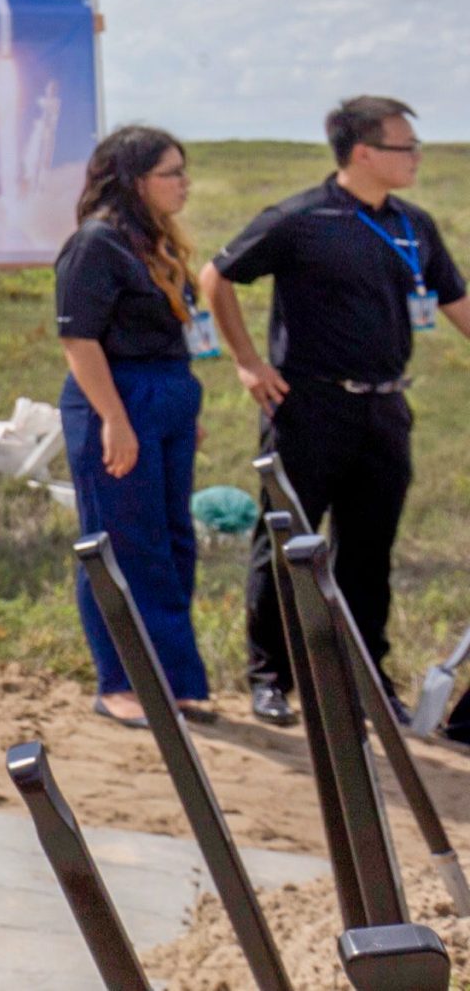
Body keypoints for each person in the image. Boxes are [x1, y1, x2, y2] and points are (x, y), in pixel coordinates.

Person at [203, 95, 470, 727]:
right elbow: (217, 277)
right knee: (284, 540)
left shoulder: (415, 225)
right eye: (405, 147)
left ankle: (364, 678)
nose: (416, 158)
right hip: (307, 406)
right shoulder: (300, 219)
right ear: (364, 153)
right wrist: (247, 362)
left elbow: (457, 304)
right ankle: (270, 679)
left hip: (384, 411)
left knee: (370, 550)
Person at [54, 125, 216, 728]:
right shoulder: (95, 244)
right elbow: (79, 338)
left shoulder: (153, 241)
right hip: (118, 396)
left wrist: (182, 411)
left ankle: (172, 680)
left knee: (172, 542)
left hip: (166, 394)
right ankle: (120, 682)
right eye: (171, 173)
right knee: (121, 543)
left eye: (183, 171)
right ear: (133, 181)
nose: (184, 184)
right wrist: (115, 420)